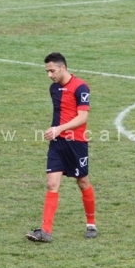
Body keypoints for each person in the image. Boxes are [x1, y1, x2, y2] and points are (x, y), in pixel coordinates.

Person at [26, 52, 97, 243]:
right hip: (57, 144)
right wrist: (55, 131)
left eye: (52, 71)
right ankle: (45, 231)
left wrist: (59, 129)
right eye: (47, 71)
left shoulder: (81, 87)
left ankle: (91, 223)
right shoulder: (54, 89)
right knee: (52, 184)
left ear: (63, 67)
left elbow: (82, 117)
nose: (50, 75)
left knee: (83, 182)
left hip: (76, 143)